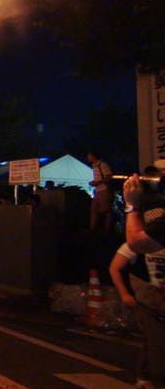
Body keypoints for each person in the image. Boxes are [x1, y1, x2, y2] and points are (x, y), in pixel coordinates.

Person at [109, 241, 165, 388]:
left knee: (152, 340)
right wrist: (125, 294)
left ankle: (144, 378)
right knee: (158, 341)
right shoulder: (137, 244)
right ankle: (156, 380)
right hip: (148, 300)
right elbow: (115, 268)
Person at [87, 150, 114, 232]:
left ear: (94, 156)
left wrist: (97, 183)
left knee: (106, 210)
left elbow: (109, 176)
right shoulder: (94, 166)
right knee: (94, 209)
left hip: (104, 190)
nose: (88, 158)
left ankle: (106, 229)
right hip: (98, 190)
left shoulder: (102, 165)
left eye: (89, 156)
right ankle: (93, 228)